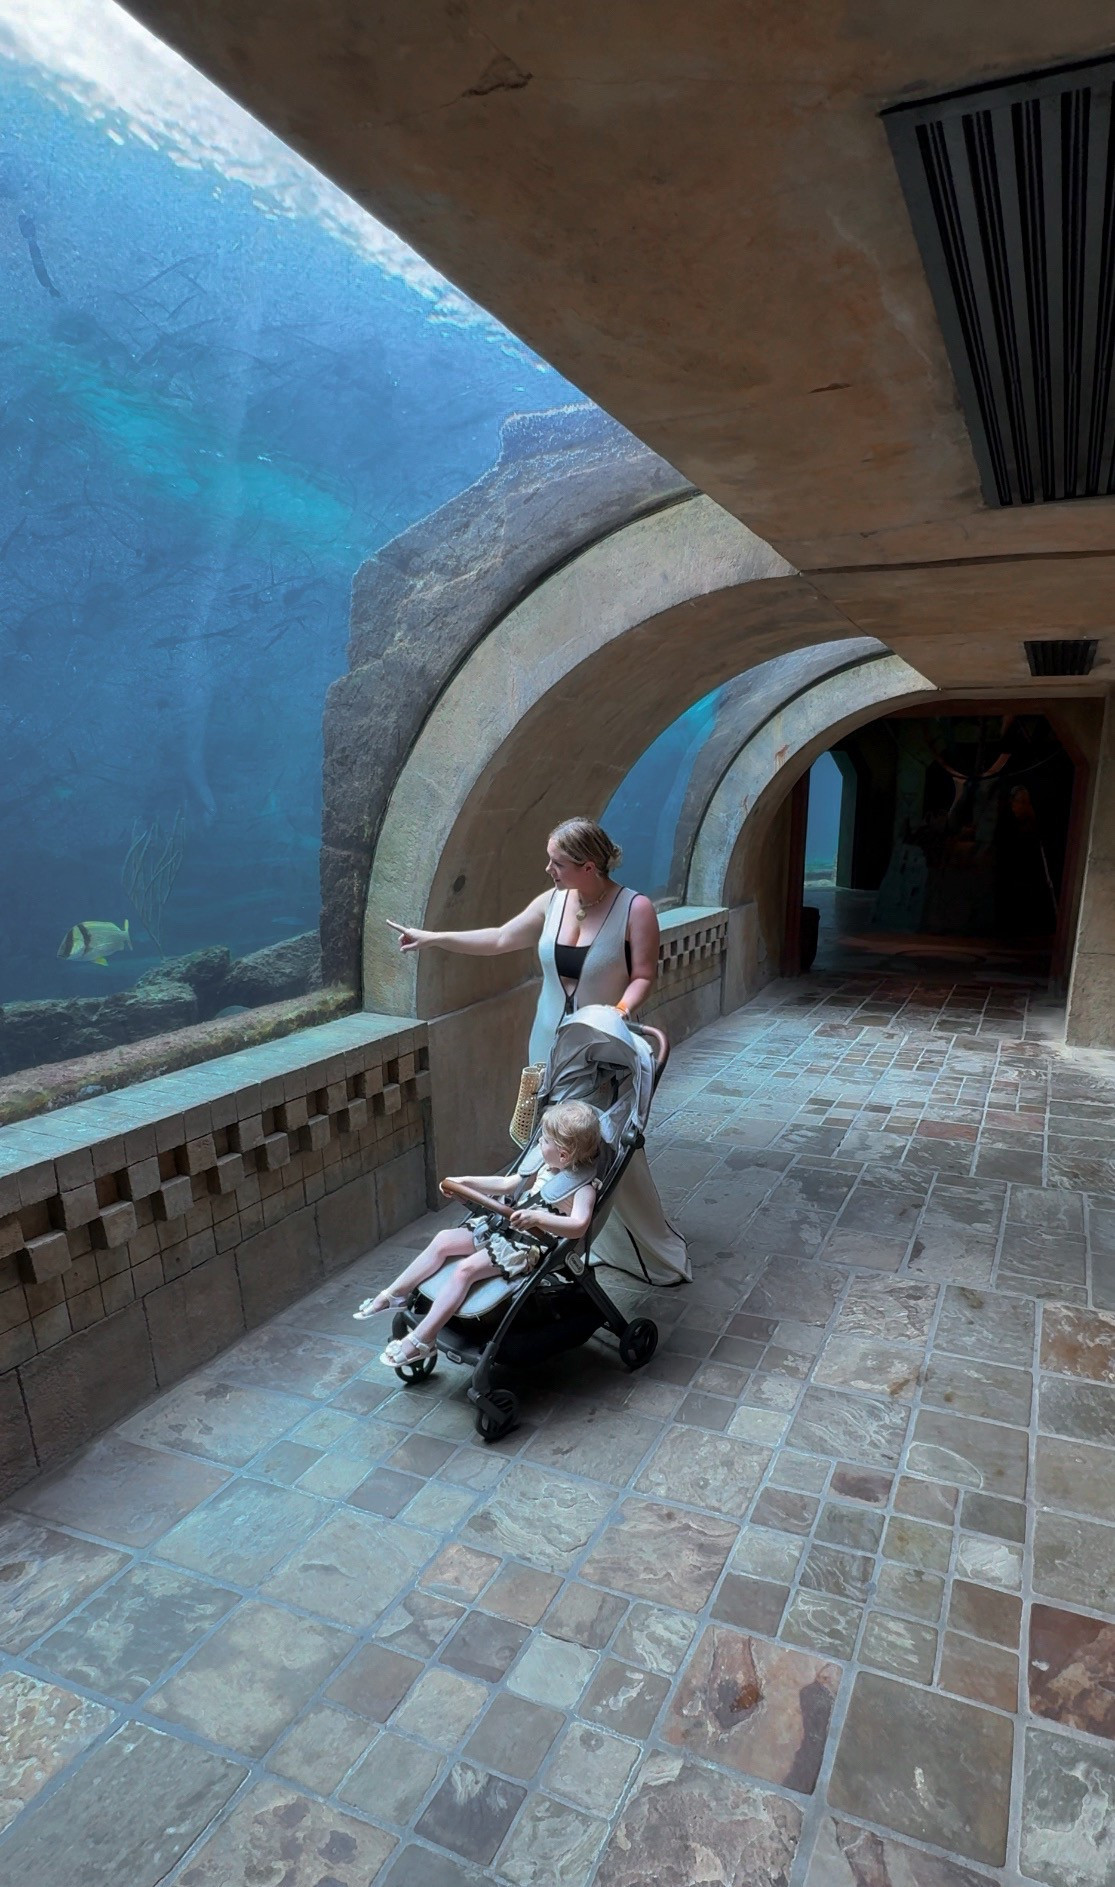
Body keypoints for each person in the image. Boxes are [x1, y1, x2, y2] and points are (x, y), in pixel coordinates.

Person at [388, 816, 690, 1284]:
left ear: (588, 866)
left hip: (599, 1048)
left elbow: (645, 974)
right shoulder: (552, 901)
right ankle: (547, 1231)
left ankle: (619, 1238)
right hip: (546, 1044)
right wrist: (433, 939)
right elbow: (501, 937)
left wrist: (618, 1011)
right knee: (546, 1142)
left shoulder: (636, 908)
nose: (548, 870)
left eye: (557, 863)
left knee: (595, 1143)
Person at [353, 1100, 602, 1365]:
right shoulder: (545, 1167)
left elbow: (579, 1225)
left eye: (545, 1140)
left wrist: (538, 1218)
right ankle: (396, 1294)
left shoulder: (583, 1188)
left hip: (526, 1244)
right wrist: (465, 1182)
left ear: (563, 1155)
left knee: (465, 1270)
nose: (539, 1142)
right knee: (443, 1240)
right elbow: (505, 1184)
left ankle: (422, 1340)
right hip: (503, 1227)